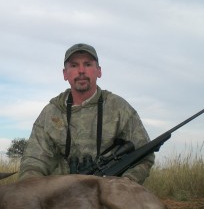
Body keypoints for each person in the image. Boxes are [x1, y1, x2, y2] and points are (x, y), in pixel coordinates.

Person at [19, 43, 154, 184]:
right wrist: (32, 188)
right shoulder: (51, 113)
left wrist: (126, 183)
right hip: (59, 195)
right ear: (65, 74)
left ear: (99, 71)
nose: (81, 71)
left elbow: (144, 153)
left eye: (88, 64)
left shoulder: (119, 108)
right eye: (74, 65)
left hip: (109, 193)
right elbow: (33, 160)